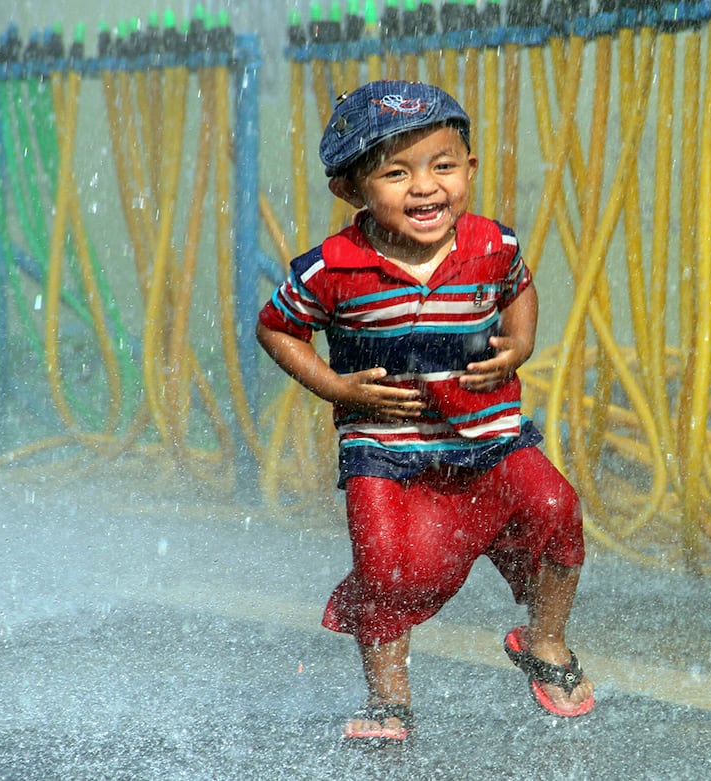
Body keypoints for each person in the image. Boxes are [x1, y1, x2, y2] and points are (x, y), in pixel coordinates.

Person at [255, 80, 595, 742]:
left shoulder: (492, 245)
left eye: (443, 166)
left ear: (469, 168)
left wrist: (520, 343)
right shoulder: (333, 267)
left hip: (489, 433)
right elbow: (276, 327)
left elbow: (518, 288)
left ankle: (545, 638)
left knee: (557, 508)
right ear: (351, 189)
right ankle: (389, 701)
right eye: (396, 173)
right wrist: (336, 386)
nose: (424, 188)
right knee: (383, 565)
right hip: (383, 444)